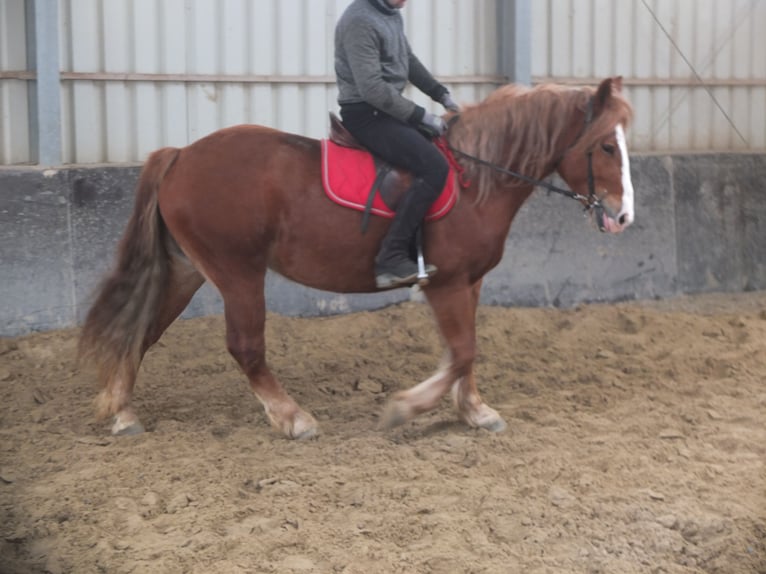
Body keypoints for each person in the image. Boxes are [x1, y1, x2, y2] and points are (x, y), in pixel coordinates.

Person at [334, 0, 460, 289]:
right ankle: (390, 257)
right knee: (434, 167)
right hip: (367, 114)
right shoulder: (359, 20)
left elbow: (408, 60)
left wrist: (440, 93)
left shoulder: (389, 14)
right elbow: (373, 89)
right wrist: (421, 115)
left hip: (386, 110)